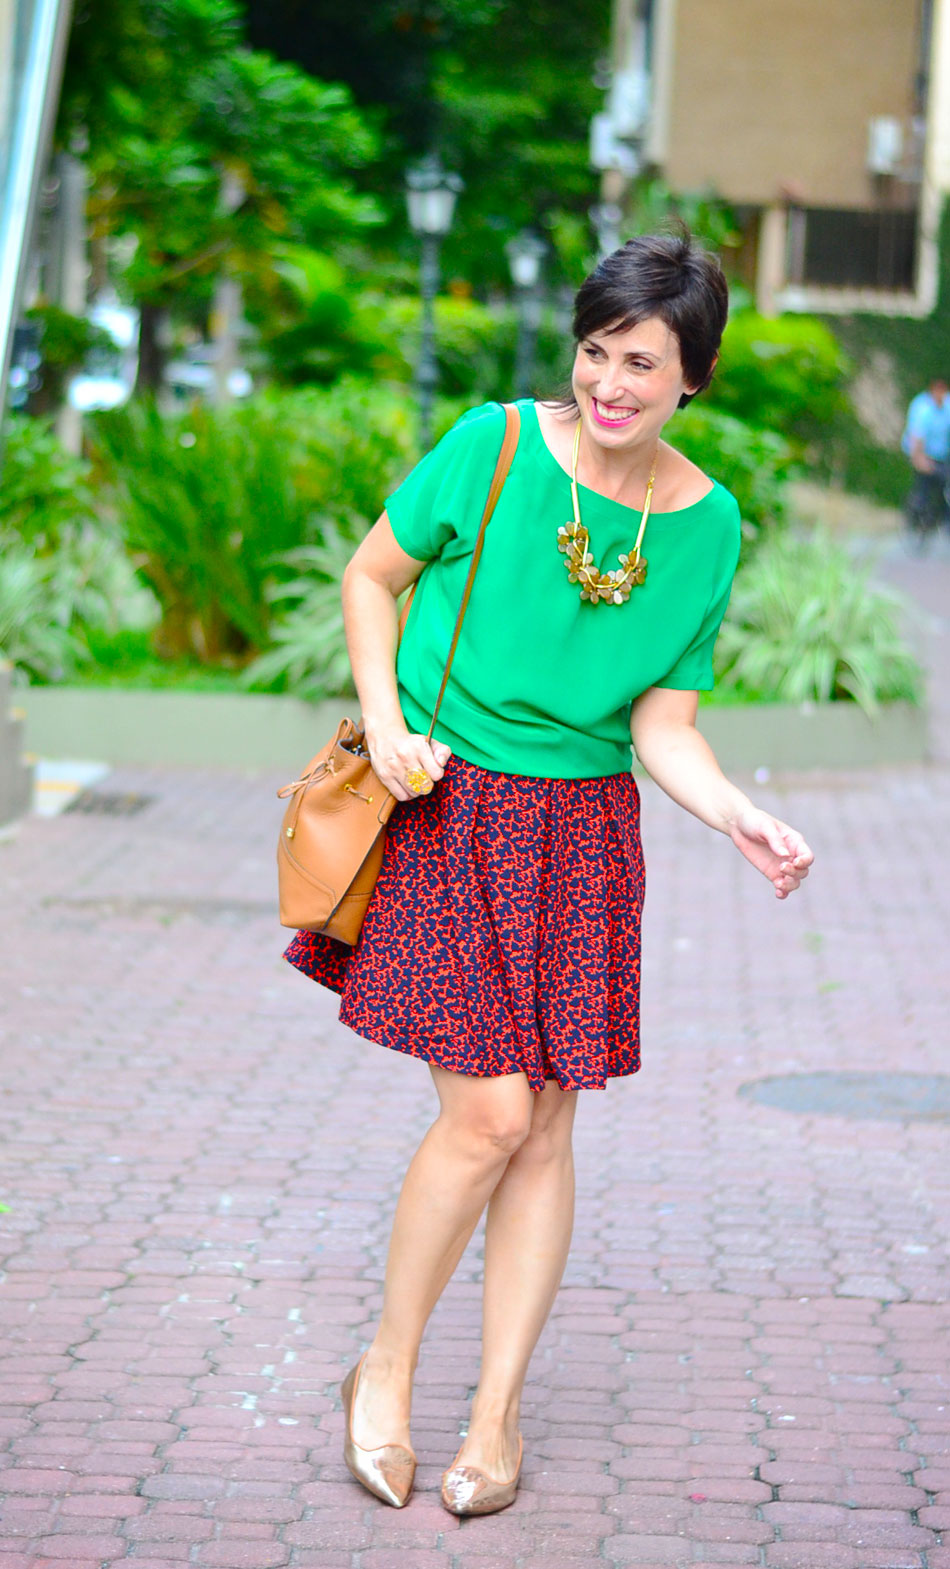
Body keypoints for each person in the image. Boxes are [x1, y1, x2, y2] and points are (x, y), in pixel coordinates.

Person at [284, 230, 813, 1517]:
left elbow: (661, 725)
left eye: (641, 363)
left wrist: (735, 813)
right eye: (594, 352)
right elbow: (372, 578)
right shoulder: (495, 446)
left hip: (583, 839)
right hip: (448, 807)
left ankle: (496, 1416)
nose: (608, 384)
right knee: (490, 1117)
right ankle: (385, 1373)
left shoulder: (707, 526)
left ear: (693, 377)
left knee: (546, 1130)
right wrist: (386, 721)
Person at [902, 376, 950, 537]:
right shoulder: (922, 408)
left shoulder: (947, 406)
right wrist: (920, 460)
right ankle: (916, 517)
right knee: (924, 484)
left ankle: (943, 520)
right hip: (919, 452)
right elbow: (917, 437)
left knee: (944, 483)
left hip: (940, 454)